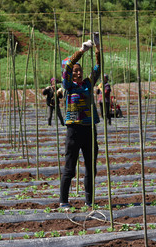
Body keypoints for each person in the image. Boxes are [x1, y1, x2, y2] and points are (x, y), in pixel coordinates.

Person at [59, 32, 101, 210]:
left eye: (79, 70)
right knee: (70, 167)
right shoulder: (67, 86)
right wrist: (82, 50)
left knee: (90, 167)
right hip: (74, 130)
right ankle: (64, 201)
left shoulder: (88, 84)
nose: (77, 72)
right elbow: (67, 66)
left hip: (89, 129)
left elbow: (99, 67)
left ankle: (89, 201)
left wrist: (98, 47)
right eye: (75, 71)